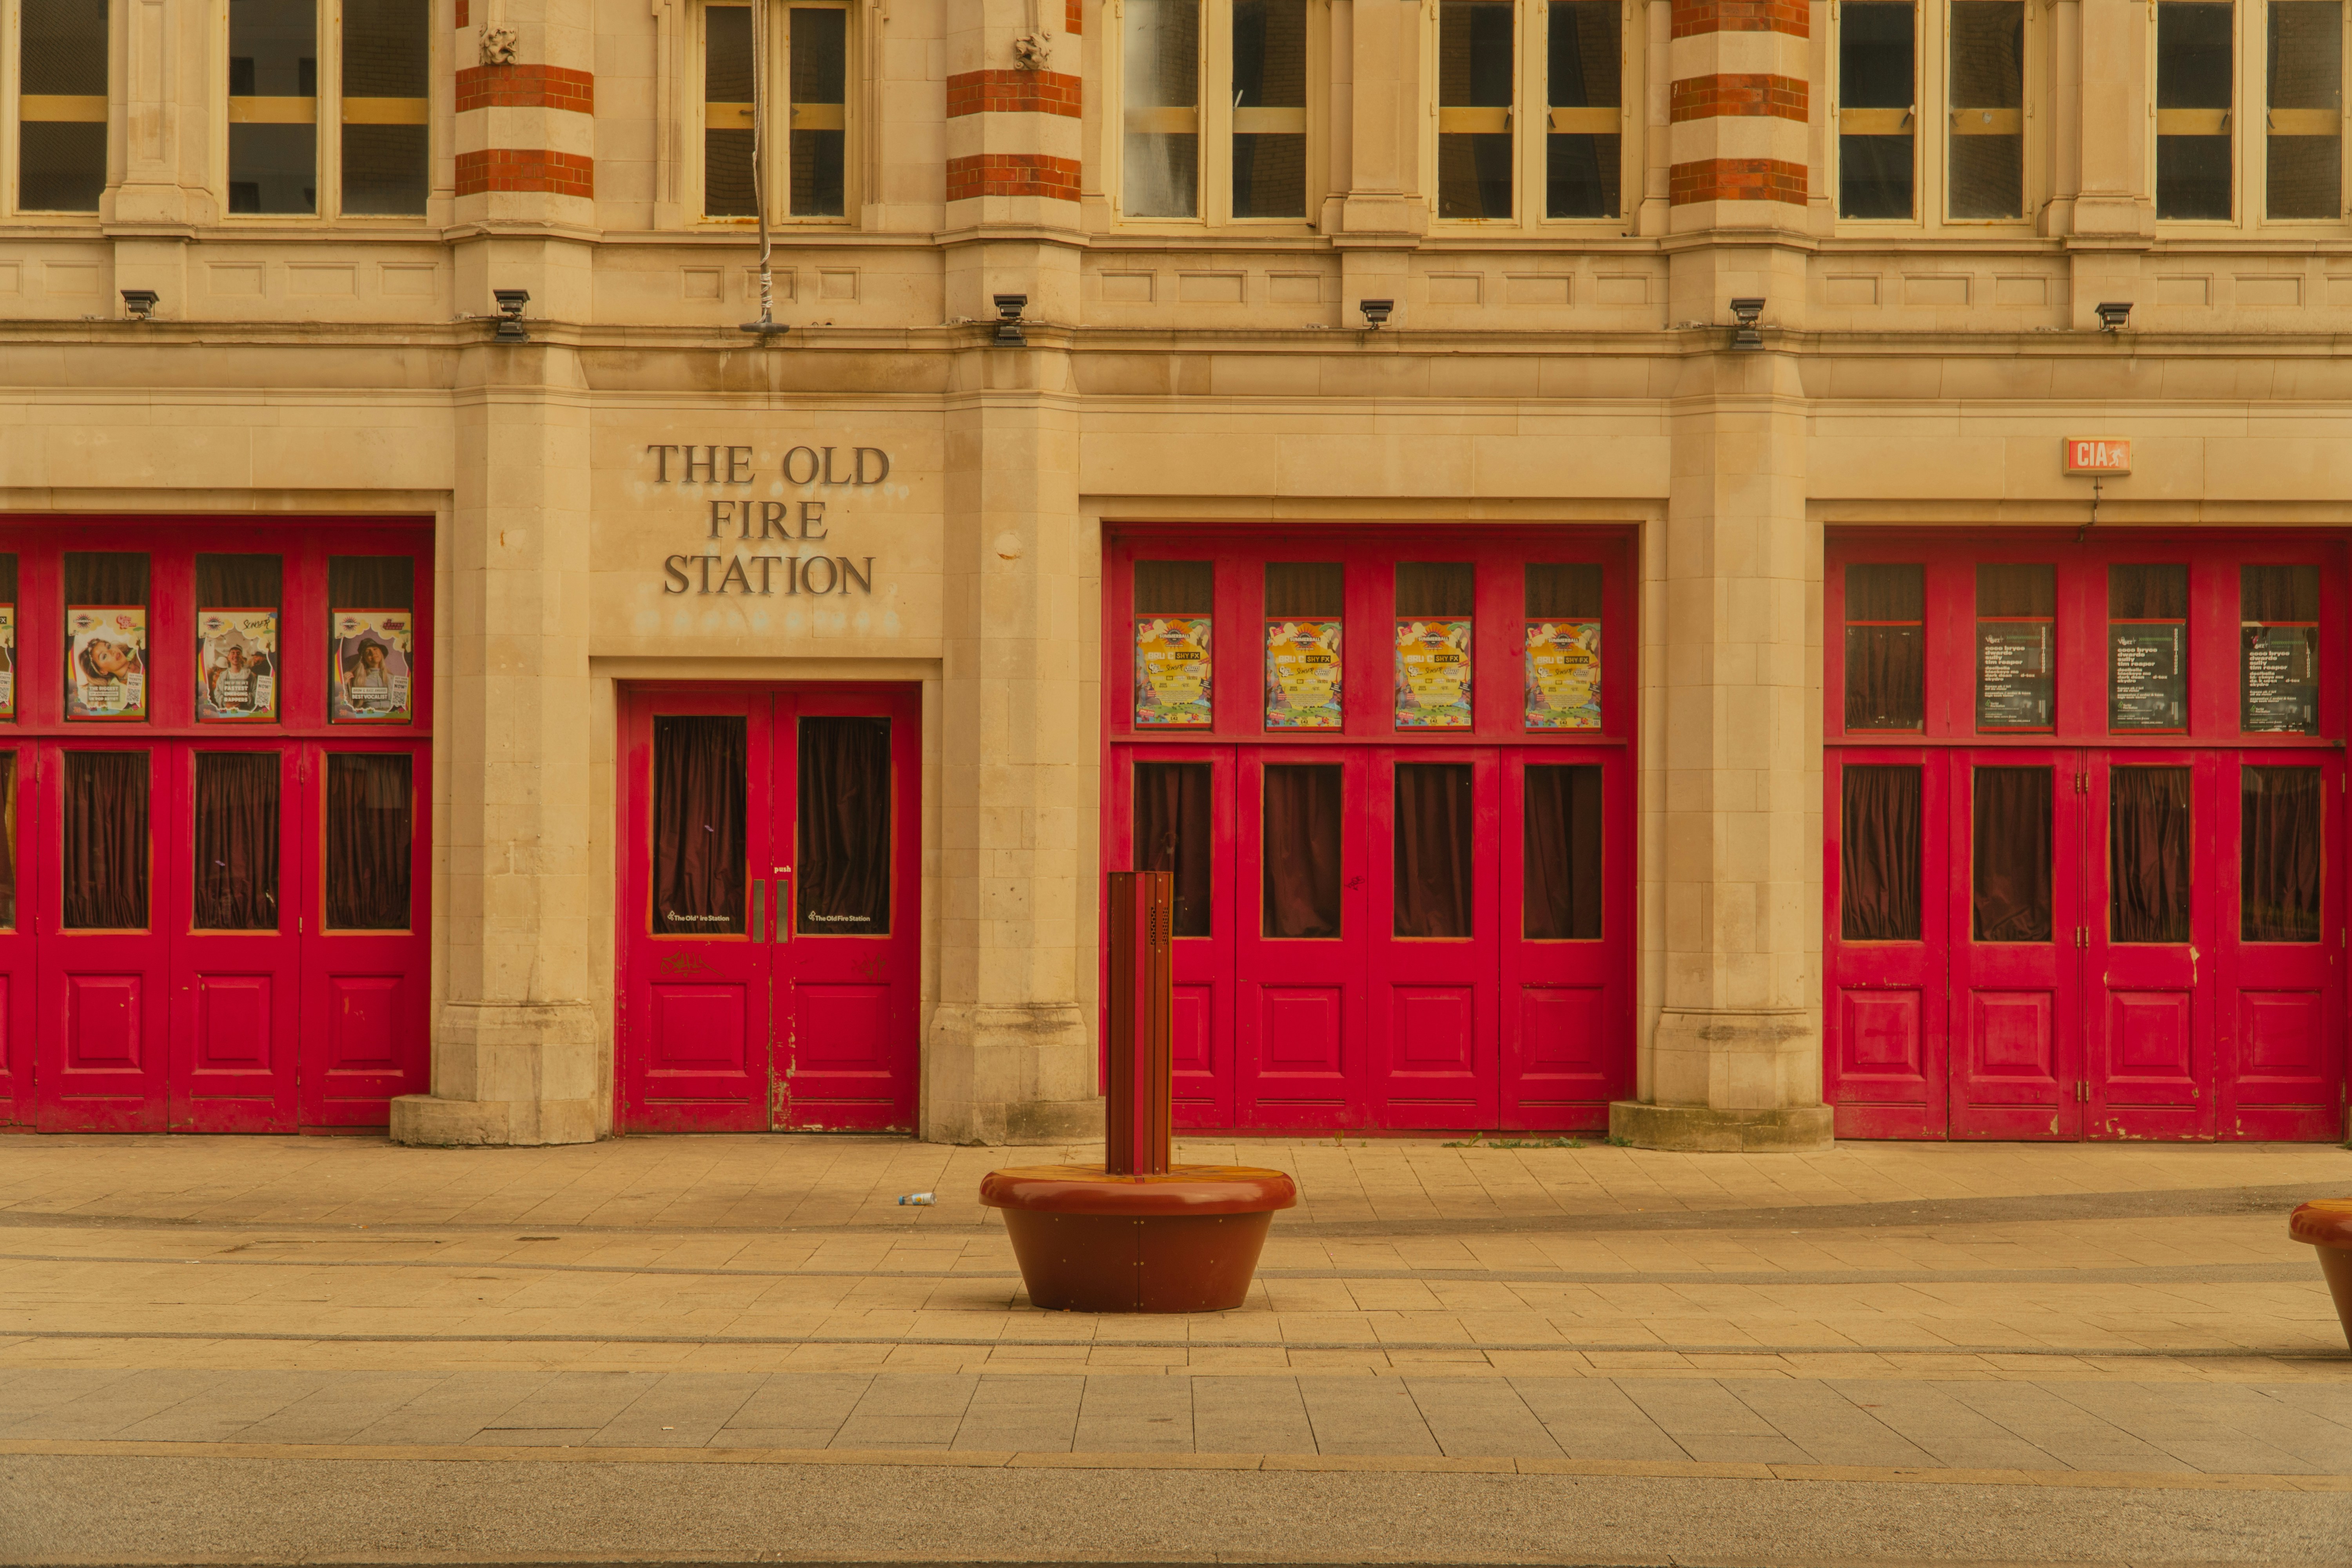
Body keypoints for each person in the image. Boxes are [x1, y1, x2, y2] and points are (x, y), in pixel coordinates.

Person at [77, 636, 140, 712]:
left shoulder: (137, 650)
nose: (112, 652)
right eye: (104, 656)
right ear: (102, 671)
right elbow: (138, 710)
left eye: (109, 646)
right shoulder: (120, 692)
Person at [343, 639, 393, 713]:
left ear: (381, 653)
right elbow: (347, 706)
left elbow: (402, 706)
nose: (373, 653)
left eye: (375, 649)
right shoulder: (356, 680)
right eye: (367, 651)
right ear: (363, 659)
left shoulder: (392, 679)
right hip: (367, 717)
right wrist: (344, 684)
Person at [209, 644, 254, 713]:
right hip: (227, 712)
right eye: (233, 653)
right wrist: (226, 703)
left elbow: (256, 692)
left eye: (238, 653)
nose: (236, 656)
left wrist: (244, 699)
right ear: (229, 657)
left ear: (242, 657)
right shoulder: (223, 676)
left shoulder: (249, 675)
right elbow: (218, 693)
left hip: (245, 712)